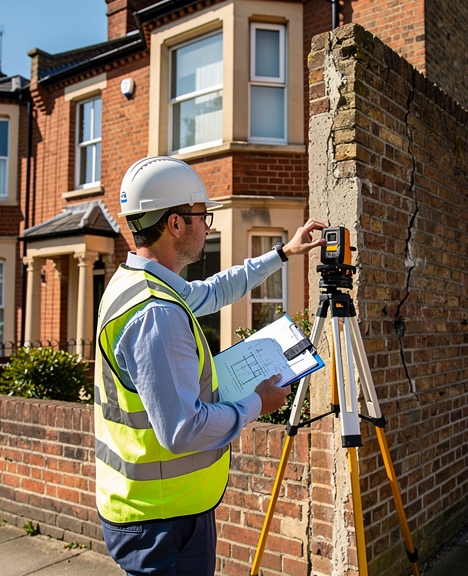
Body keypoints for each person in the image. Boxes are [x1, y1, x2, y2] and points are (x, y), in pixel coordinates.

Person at [94, 155, 326, 576]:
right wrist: (258, 402)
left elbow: (214, 291)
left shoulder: (138, 282)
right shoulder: (156, 313)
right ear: (175, 223)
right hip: (163, 522)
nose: (209, 225)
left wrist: (283, 253)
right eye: (203, 216)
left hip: (158, 511)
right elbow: (184, 429)